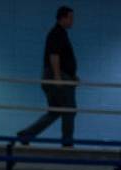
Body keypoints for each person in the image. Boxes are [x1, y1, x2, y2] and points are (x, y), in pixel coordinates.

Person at [17, 6, 77, 147]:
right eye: (71, 17)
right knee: (69, 109)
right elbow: (54, 56)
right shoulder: (57, 33)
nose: (73, 21)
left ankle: (26, 135)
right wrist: (57, 78)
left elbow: (62, 58)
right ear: (63, 18)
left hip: (58, 75)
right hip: (56, 77)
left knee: (55, 111)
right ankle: (67, 143)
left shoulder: (60, 33)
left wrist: (73, 75)